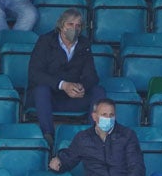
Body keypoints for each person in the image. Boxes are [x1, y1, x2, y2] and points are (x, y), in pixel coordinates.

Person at [27, 8, 106, 145]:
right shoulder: (45, 41)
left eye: (78, 25)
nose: (74, 29)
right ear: (61, 26)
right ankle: (48, 136)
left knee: (99, 91)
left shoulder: (84, 44)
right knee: (41, 90)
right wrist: (63, 85)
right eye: (70, 24)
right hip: (49, 99)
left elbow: (92, 76)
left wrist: (81, 87)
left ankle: (93, 136)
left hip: (73, 98)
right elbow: (35, 73)